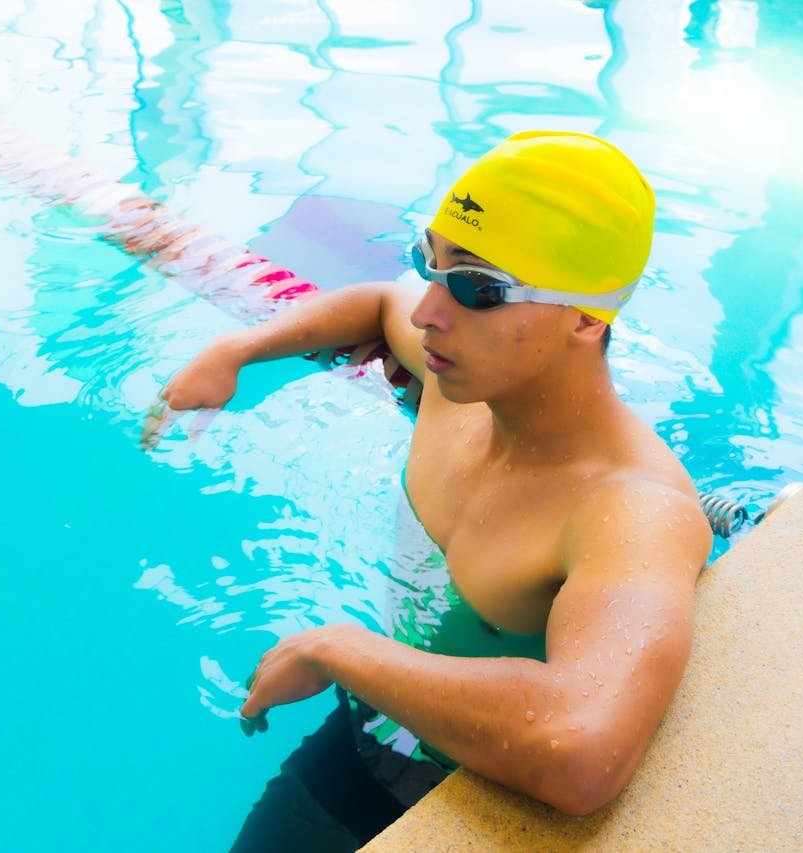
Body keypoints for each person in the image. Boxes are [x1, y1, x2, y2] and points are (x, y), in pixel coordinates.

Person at [150, 131, 712, 851]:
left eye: (477, 288)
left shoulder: (630, 510)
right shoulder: (464, 386)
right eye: (431, 261)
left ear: (583, 316)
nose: (427, 314)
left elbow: (582, 750)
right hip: (377, 728)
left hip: (478, 792)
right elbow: (382, 302)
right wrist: (236, 351)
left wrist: (340, 650)